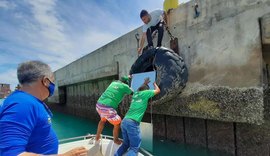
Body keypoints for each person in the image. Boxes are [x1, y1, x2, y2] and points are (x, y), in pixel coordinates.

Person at [0, 61, 87, 156]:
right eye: (53, 81)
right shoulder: (21, 104)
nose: (54, 85)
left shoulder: (29, 101)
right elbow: (11, 154)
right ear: (45, 81)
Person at [115, 79, 160, 156]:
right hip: (132, 123)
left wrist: (144, 83)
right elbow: (158, 90)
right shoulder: (146, 93)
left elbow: (141, 88)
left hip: (124, 121)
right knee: (134, 148)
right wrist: (155, 83)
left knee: (125, 144)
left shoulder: (135, 94)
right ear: (146, 90)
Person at [95, 76, 133, 145]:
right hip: (107, 108)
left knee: (103, 120)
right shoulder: (125, 86)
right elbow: (133, 93)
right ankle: (115, 140)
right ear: (126, 83)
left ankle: (97, 136)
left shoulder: (113, 83)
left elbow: (122, 81)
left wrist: (128, 77)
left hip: (99, 105)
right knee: (118, 123)